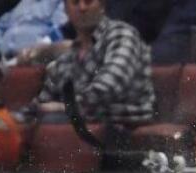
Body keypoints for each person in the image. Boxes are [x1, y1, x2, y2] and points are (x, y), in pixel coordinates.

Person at [30, 0, 155, 150]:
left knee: (53, 123)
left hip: (122, 130)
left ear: (102, 5)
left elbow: (107, 89)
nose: (82, 8)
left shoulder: (121, 34)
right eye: (75, 2)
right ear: (66, 10)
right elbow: (43, 102)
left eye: (88, 1)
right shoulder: (68, 58)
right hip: (80, 125)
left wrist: (64, 107)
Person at [0, 0, 66, 62]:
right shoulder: (23, 3)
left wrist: (37, 51)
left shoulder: (59, 3)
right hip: (1, 59)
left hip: (33, 59)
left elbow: (60, 31)